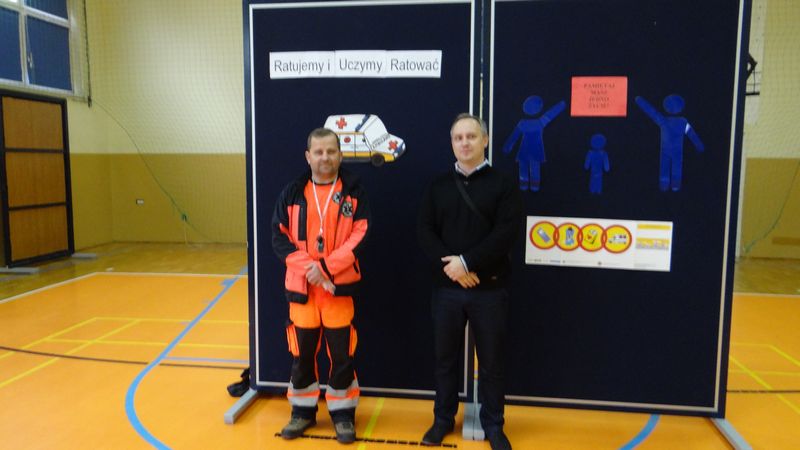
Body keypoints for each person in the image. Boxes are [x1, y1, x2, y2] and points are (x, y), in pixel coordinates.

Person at [417, 113, 524, 450]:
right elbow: (425, 230)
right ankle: (442, 420)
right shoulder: (437, 186)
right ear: (452, 143)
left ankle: (494, 425)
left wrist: (466, 262)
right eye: (458, 137)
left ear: (485, 141)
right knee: (444, 359)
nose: (464, 143)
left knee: (491, 363)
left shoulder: (503, 185)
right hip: (447, 289)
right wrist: (453, 268)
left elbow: (505, 234)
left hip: (489, 289)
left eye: (471, 136)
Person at [272, 127, 370, 444]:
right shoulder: (292, 192)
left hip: (337, 289)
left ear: (340, 155)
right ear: (308, 156)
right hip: (303, 290)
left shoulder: (354, 191)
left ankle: (343, 415)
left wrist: (326, 267)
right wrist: (310, 268)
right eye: (318, 151)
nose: (324, 157)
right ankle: (302, 412)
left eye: (331, 151)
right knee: (301, 355)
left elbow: (360, 234)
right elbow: (279, 238)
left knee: (341, 355)